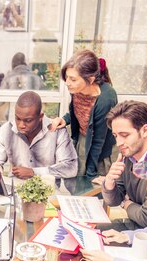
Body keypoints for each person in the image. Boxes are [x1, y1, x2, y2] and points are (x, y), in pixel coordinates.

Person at [49, 49, 118, 180]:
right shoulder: (77, 88)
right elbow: (79, 111)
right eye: (67, 77)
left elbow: (98, 140)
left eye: (73, 79)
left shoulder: (106, 98)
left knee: (94, 190)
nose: (67, 82)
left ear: (90, 79)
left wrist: (91, 174)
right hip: (83, 141)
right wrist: (65, 119)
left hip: (100, 151)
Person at [101, 100, 147, 231]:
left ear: (144, 131)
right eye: (115, 136)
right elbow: (113, 201)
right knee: (88, 230)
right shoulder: (128, 156)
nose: (119, 142)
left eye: (124, 135)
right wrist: (109, 182)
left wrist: (125, 203)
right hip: (134, 224)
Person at [0, 91, 77, 179]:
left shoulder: (57, 131)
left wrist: (33, 172)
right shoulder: (6, 130)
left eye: (28, 120)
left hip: (47, 191)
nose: (21, 125)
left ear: (40, 117)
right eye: (18, 118)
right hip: (15, 190)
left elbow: (70, 168)